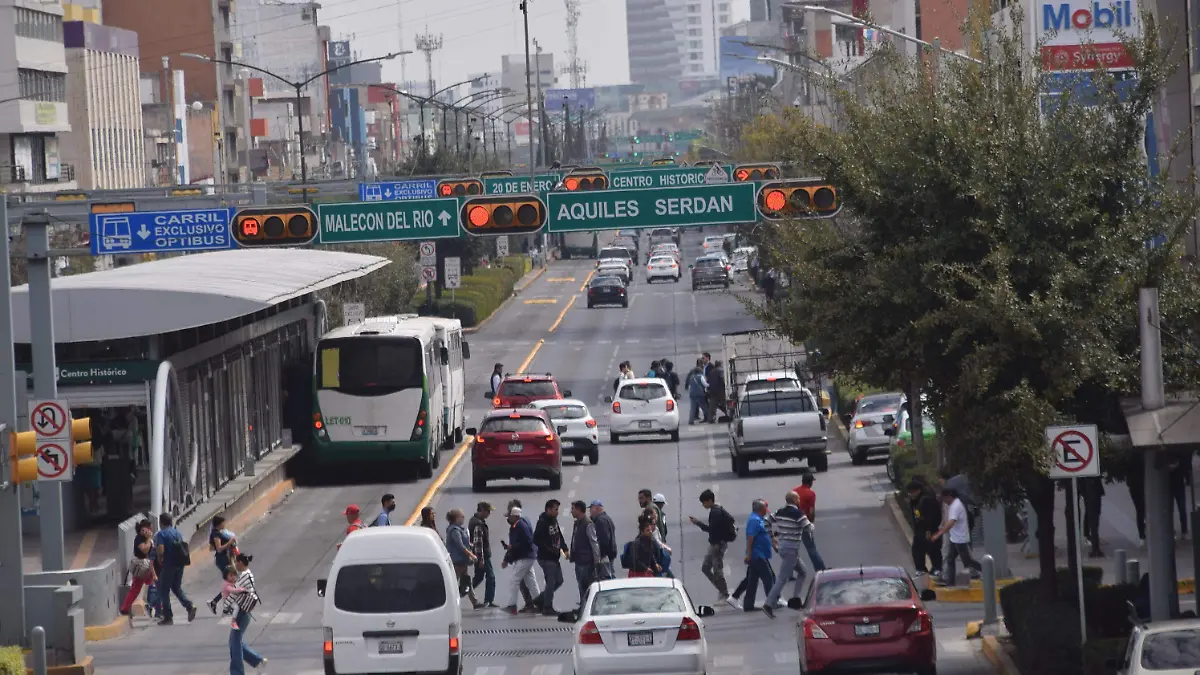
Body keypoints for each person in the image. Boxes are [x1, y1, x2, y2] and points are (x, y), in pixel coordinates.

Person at [763, 491, 813, 617]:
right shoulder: (798, 513)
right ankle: (768, 604)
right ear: (795, 500)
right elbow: (808, 527)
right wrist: (811, 523)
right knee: (782, 579)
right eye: (798, 499)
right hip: (791, 549)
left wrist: (772, 538)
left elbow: (766, 522)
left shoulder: (780, 512)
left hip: (784, 547)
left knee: (803, 572)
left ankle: (795, 600)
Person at [689, 489, 738, 608]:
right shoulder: (717, 510)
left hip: (718, 545)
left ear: (709, 500)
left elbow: (711, 529)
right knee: (706, 567)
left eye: (704, 502)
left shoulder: (715, 512)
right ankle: (722, 591)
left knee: (717, 570)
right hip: (714, 544)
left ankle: (725, 595)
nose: (703, 505)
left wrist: (697, 523)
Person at [224, 553, 266, 675]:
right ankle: (257, 661)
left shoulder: (243, 576)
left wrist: (225, 604)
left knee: (235, 642)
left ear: (240, 563)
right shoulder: (246, 574)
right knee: (234, 641)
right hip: (243, 612)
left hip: (242, 613)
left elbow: (233, 592)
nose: (235, 565)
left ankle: (237, 672)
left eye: (236, 562)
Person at [932, 488, 983, 586]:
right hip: (954, 539)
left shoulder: (956, 506)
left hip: (961, 539)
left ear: (949, 496)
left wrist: (938, 534)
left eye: (944, 498)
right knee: (950, 560)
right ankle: (950, 583)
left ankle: (987, 570)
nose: (944, 501)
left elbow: (950, 523)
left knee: (968, 561)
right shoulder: (952, 505)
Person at [154, 512, 197, 625]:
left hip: (169, 564)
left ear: (161, 522)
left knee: (164, 590)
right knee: (176, 588)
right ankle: (189, 606)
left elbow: (161, 550)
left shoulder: (161, 534)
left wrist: (159, 558)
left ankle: (168, 617)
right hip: (179, 564)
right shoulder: (177, 532)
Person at [500, 507, 542, 616]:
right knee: (531, 581)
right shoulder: (521, 524)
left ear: (515, 516)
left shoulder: (519, 526)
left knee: (514, 580)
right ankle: (540, 604)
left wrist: (512, 547)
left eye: (509, 516)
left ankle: (512, 606)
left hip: (525, 556)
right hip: (528, 556)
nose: (508, 519)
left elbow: (527, 541)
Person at [533, 499, 570, 615]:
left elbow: (559, 535)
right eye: (556, 509)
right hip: (546, 558)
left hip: (554, 557)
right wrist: (549, 549)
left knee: (559, 580)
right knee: (551, 582)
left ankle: (540, 600)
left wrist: (564, 549)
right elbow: (536, 539)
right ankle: (547, 607)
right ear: (548, 509)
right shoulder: (542, 522)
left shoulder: (553, 520)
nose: (557, 512)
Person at [741, 499, 775, 612]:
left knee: (752, 580)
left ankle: (748, 604)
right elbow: (750, 537)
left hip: (758, 553)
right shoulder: (754, 520)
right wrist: (749, 554)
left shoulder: (758, 519)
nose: (767, 510)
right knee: (768, 577)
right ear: (761, 509)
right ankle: (771, 602)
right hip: (757, 554)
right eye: (765, 508)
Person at [445, 509, 481, 609]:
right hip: (457, 560)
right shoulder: (455, 530)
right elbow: (460, 545)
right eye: (461, 517)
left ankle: (475, 602)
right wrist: (471, 555)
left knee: (466, 580)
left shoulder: (459, 529)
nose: (463, 518)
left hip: (462, 560)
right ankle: (449, 603)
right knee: (454, 582)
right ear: (456, 518)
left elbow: (463, 543)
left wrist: (469, 544)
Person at [120, 520, 157, 617]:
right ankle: (125, 608)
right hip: (141, 566)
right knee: (137, 588)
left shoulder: (145, 538)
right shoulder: (139, 539)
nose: (150, 530)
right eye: (148, 528)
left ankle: (154, 606)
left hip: (147, 566)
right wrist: (148, 539)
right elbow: (144, 550)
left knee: (152, 585)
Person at [907, 481, 943, 577]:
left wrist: (929, 529)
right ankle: (921, 568)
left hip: (928, 530)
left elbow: (931, 516)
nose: (910, 495)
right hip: (919, 530)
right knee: (917, 550)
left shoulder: (927, 500)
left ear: (917, 491)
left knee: (933, 549)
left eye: (911, 492)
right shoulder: (914, 501)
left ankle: (937, 568)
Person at [568, 500, 601, 604]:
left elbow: (594, 543)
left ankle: (586, 607)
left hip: (586, 562)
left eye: (573, 509)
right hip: (579, 560)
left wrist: (597, 562)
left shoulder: (588, 523)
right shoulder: (578, 523)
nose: (571, 511)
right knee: (581, 586)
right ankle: (583, 606)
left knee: (586, 587)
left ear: (579, 510)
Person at [207, 515, 238, 614]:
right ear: (219, 524)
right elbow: (219, 549)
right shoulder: (216, 534)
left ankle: (215, 602)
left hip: (227, 558)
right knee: (230, 583)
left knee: (230, 584)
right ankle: (225, 607)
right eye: (223, 522)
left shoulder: (220, 533)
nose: (224, 524)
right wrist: (230, 542)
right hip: (222, 559)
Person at [469, 502, 498, 608]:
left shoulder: (475, 521)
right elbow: (478, 543)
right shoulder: (478, 524)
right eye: (488, 511)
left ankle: (462, 591)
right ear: (482, 510)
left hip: (478, 554)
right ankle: (489, 600)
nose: (489, 513)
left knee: (479, 576)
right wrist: (481, 559)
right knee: (491, 576)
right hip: (482, 555)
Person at [589, 500, 617, 580]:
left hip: (605, 555)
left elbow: (604, 540)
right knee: (610, 573)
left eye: (591, 509)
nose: (590, 511)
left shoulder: (600, 521)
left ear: (597, 508)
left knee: (607, 577)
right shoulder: (606, 518)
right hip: (610, 553)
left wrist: (600, 555)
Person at [686, 359, 709, 425]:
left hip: (692, 394)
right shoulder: (701, 377)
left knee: (692, 408)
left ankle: (691, 420)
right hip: (700, 394)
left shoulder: (692, 377)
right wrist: (710, 385)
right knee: (704, 407)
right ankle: (708, 417)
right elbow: (705, 384)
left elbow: (690, 385)